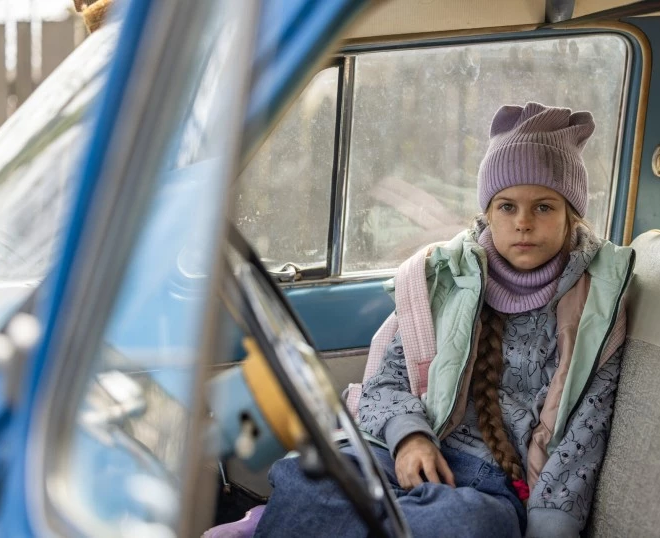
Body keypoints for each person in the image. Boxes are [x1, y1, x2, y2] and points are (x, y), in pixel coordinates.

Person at [224, 102, 635, 538]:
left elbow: (583, 438)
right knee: (302, 478)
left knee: (469, 526)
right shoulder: (446, 282)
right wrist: (409, 437)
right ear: (488, 213)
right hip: (394, 452)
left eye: (544, 207)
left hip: (487, 484)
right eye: (507, 206)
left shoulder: (595, 311)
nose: (523, 223)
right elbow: (386, 380)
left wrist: (550, 528)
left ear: (571, 215)